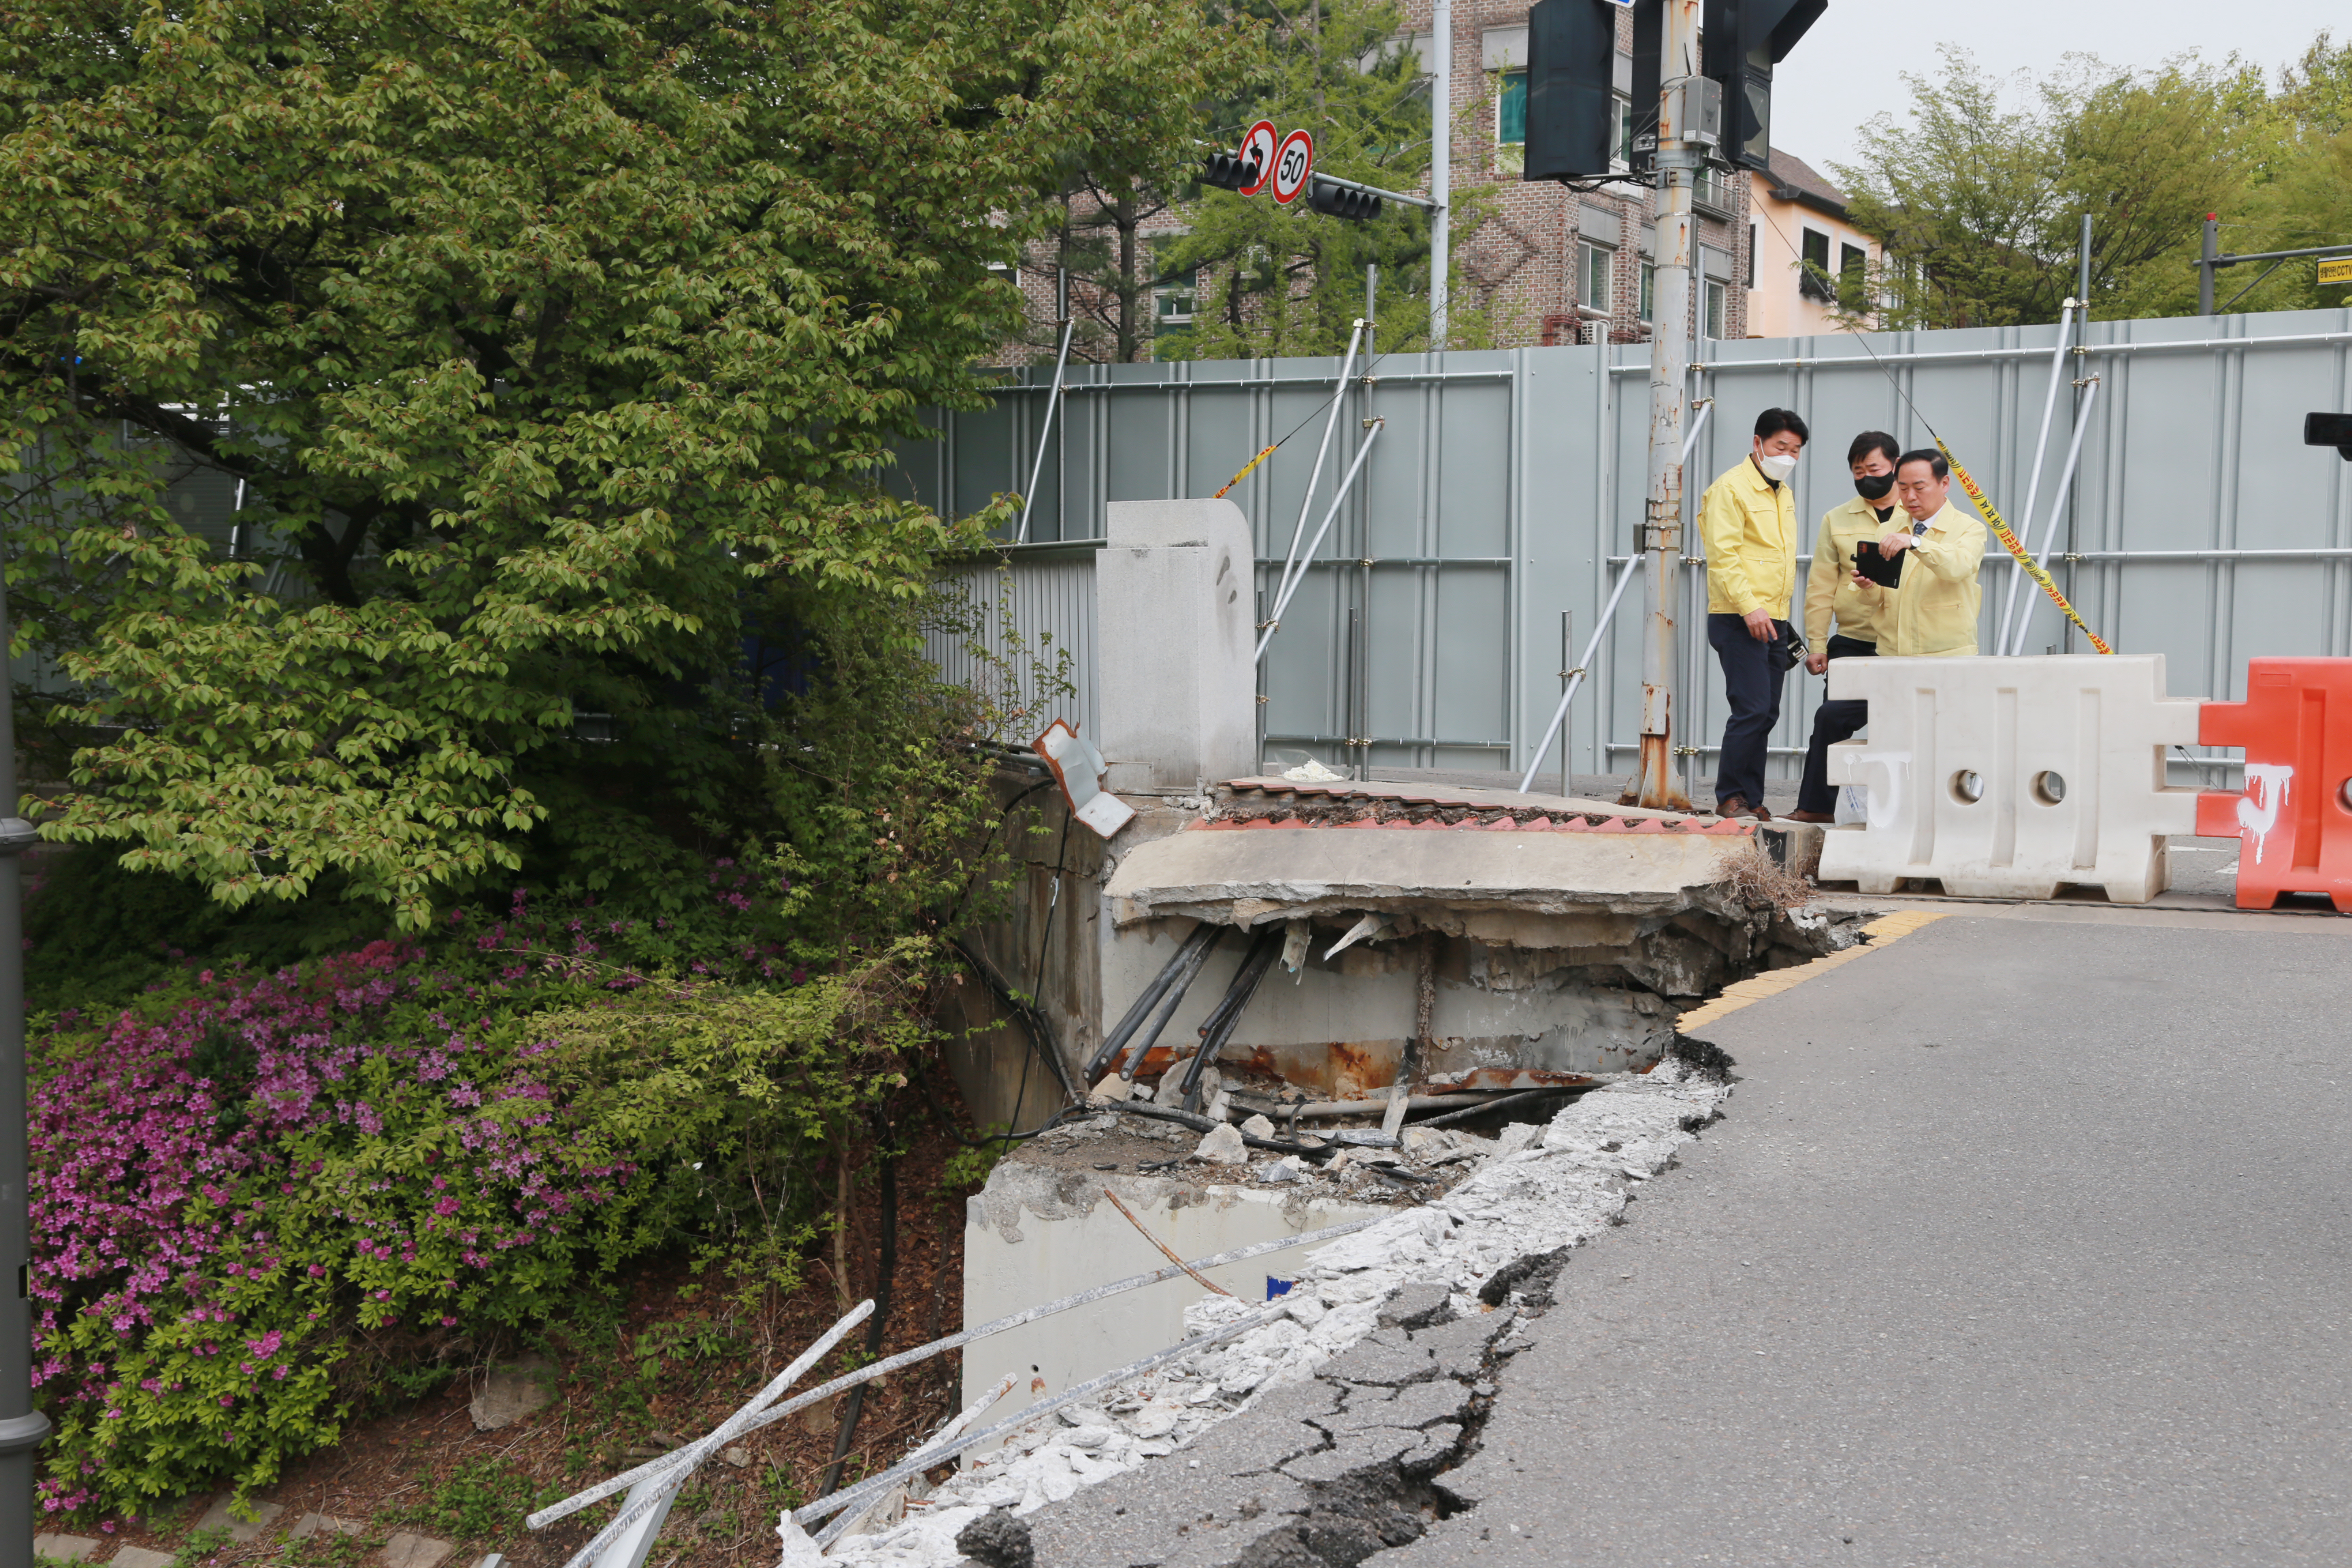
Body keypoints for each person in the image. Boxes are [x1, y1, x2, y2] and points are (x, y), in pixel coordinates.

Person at [1788, 431, 1907, 823]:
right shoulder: (1837, 519)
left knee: (1910, 723)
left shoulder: (1919, 515)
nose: (1866, 476)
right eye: (1858, 471)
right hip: (1853, 639)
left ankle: (1908, 810)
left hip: (1909, 642)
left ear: (1894, 465)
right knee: (1832, 718)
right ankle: (1815, 807)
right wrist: (1818, 643)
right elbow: (1820, 585)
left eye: (1873, 468)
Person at [1701, 408, 1807, 820]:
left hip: (1774, 617)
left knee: (1767, 712)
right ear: (1758, 443)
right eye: (1782, 447)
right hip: (1739, 615)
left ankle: (1752, 798)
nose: (1788, 456)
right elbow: (1723, 556)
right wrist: (1750, 608)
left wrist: (1774, 613)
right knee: (1750, 708)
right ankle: (1730, 797)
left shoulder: (1783, 492)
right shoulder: (1729, 489)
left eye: (1796, 451)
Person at [1846, 448, 1989, 657]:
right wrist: (1868, 586)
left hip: (1948, 654)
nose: (1910, 497)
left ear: (1945, 484)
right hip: (1892, 652)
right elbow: (1878, 597)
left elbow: (1959, 567)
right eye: (1903, 489)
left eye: (1919, 488)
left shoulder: (1970, 528)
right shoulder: (1887, 529)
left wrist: (1915, 542)